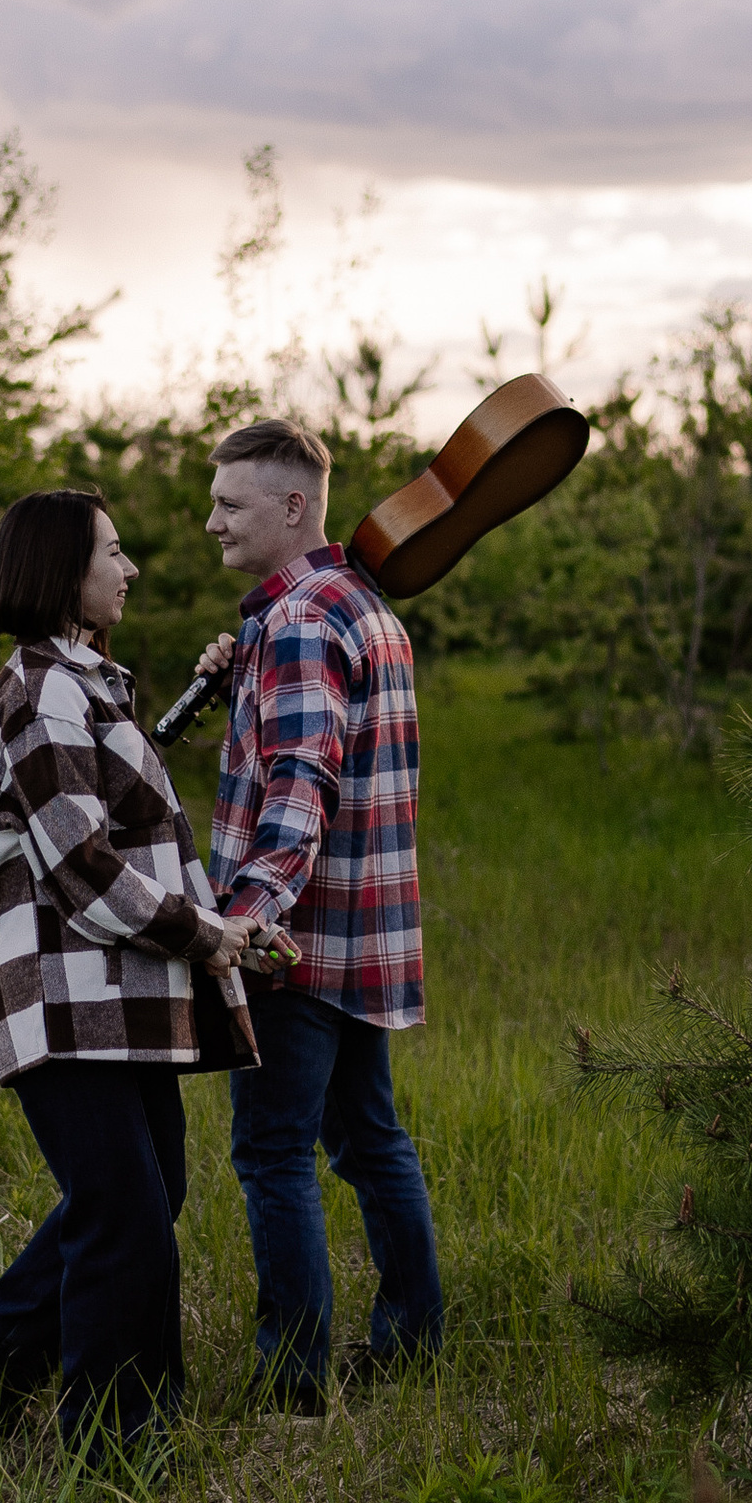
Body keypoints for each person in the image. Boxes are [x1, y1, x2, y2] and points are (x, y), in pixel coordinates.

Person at [0, 488, 263, 1465]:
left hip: (114, 1000)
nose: (131, 568)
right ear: (63, 572)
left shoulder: (82, 685)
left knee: (145, 1198)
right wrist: (205, 934)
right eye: (112, 552)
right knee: (125, 1216)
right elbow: (82, 869)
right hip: (66, 1002)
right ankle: (115, 1444)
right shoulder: (41, 691)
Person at [196, 415, 443, 1411]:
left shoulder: (299, 623)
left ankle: (292, 1378)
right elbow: (303, 753)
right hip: (363, 936)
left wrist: (243, 928)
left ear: (292, 506)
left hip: (294, 945)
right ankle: (412, 1346)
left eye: (228, 505)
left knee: (270, 1152)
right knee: (369, 1141)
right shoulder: (361, 606)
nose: (208, 523)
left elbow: (299, 787)